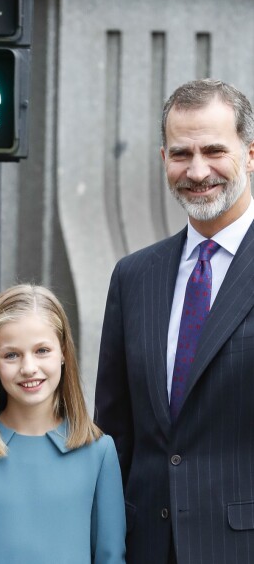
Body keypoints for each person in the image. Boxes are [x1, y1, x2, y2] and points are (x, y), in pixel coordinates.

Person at [95, 79, 254, 563]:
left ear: (250, 154)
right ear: (164, 159)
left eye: (213, 150)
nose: (198, 170)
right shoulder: (134, 275)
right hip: (145, 546)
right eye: (182, 153)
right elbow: (116, 431)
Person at [0, 284, 126, 564]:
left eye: (42, 350)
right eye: (11, 355)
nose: (29, 367)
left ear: (64, 354)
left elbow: (110, 557)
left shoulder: (98, 452)